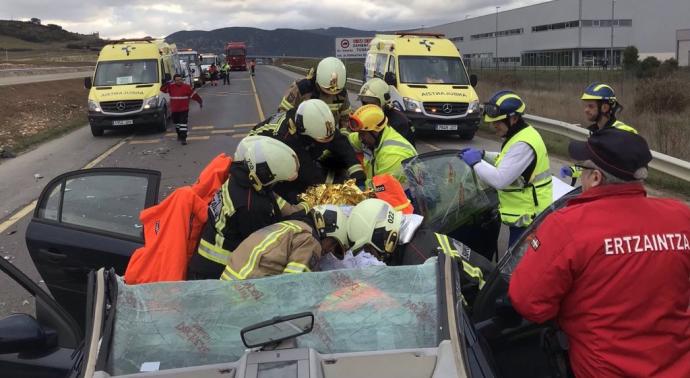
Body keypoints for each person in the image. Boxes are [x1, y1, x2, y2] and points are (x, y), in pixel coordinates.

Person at [509, 128, 690, 378]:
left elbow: (529, 304)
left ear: (595, 178)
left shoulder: (566, 226)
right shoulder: (681, 217)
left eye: (582, 170)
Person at [188, 136, 309, 280]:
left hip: (202, 265)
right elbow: (265, 247)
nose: (276, 184)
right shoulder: (251, 205)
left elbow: (274, 203)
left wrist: (301, 212)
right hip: (215, 273)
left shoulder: (240, 179)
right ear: (265, 174)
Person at [347, 198, 494, 302]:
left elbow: (452, 313)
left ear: (380, 237)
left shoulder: (420, 261)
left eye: (368, 247)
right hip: (485, 289)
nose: (369, 254)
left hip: (484, 303)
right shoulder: (415, 240)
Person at [458, 90, 552, 247]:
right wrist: (484, 155)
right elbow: (508, 161)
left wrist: (476, 163)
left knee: (517, 268)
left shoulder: (523, 144)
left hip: (529, 219)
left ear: (513, 119)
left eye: (498, 122)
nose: (493, 126)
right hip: (525, 216)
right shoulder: (521, 135)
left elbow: (500, 179)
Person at [250, 99, 365, 202]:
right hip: (262, 165)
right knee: (296, 195)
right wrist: (344, 185)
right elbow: (309, 173)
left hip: (288, 150)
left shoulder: (314, 119)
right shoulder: (288, 139)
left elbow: (340, 142)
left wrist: (357, 173)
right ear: (305, 134)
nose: (326, 143)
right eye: (321, 141)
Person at [220, 205, 349, 280]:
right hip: (249, 295)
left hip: (228, 282)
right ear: (326, 229)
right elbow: (293, 286)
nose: (328, 251)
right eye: (333, 244)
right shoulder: (310, 241)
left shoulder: (292, 225)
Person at [560, 83, 638, 183]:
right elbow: (596, 167)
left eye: (590, 106)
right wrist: (573, 171)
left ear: (604, 108)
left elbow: (627, 172)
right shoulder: (594, 133)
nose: (586, 110)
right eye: (586, 106)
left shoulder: (624, 132)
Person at [348, 104, 417, 189]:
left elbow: (380, 189)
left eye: (362, 134)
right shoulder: (374, 137)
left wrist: (355, 187)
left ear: (375, 131)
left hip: (401, 198)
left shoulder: (392, 156)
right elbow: (349, 140)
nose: (360, 138)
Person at [279, 57, 351, 131]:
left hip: (328, 134)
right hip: (302, 133)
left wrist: (344, 135)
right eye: (325, 90)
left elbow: (345, 118)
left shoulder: (342, 94)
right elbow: (283, 113)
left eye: (336, 91)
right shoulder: (302, 89)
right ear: (317, 80)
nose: (331, 94)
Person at [358, 78, 415, 146]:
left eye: (372, 104)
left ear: (384, 102)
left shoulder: (399, 123)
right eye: (365, 103)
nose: (368, 108)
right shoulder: (366, 119)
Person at [160, 73, 202, 145]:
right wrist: (166, 83)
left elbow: (194, 95)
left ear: (182, 79)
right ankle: (179, 134)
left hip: (184, 109)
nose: (179, 81)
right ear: (174, 81)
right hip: (175, 110)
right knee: (177, 124)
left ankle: (183, 138)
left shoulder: (187, 87)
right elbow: (162, 89)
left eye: (180, 80)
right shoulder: (171, 87)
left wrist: (200, 101)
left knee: (183, 124)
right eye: (177, 80)